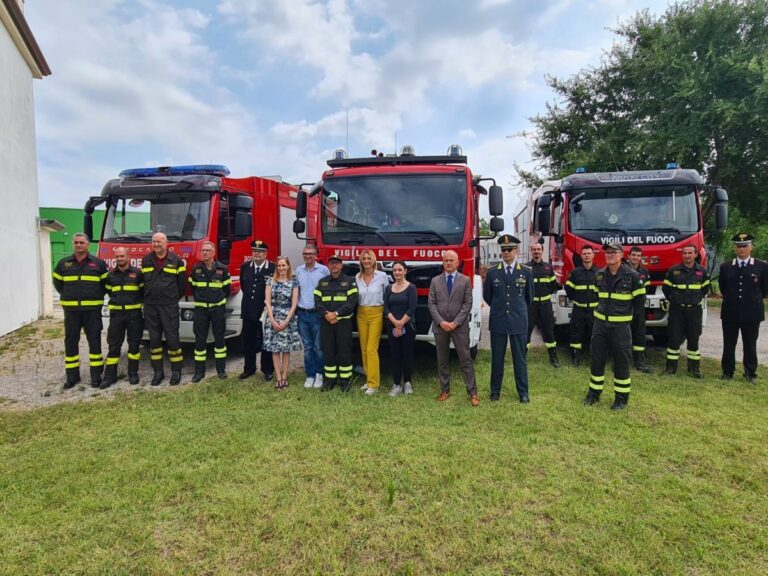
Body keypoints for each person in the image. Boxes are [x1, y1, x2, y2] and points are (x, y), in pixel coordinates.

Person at [583, 242, 645, 410]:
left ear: (621, 255)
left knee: (621, 362)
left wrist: (626, 318)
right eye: (607, 252)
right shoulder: (600, 275)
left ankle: (621, 399)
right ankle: (594, 394)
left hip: (620, 327)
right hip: (600, 326)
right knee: (597, 360)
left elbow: (639, 302)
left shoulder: (632, 276)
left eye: (613, 252)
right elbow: (599, 296)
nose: (609, 255)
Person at [52, 233, 108, 389]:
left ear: (87, 245)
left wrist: (94, 296)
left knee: (94, 342)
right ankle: (72, 376)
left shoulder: (98, 264)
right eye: (76, 242)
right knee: (71, 342)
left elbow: (105, 284)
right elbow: (58, 283)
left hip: (92, 310)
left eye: (82, 242)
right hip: (72, 311)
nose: (78, 245)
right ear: (73, 244)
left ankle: (96, 376)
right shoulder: (64, 264)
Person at [484, 235, 534, 402]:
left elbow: (529, 298)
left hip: (518, 320)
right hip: (498, 321)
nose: (506, 253)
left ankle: (523, 393)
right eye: (503, 250)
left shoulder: (526, 272)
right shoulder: (492, 272)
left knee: (519, 359)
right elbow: (488, 297)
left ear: (516, 251)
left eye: (509, 250)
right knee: (497, 358)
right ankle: (495, 391)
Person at [428, 250, 479, 407]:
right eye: (446, 260)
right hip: (440, 326)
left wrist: (455, 322)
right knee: (442, 360)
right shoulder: (435, 281)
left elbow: (467, 304)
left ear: (457, 263)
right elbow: (432, 303)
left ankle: (473, 393)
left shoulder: (465, 281)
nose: (449, 263)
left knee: (465, 360)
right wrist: (441, 322)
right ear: (443, 263)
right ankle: (445, 390)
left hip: (460, 327)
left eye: (452, 260)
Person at [719, 232, 768, 383]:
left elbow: (765, 289)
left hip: (752, 312)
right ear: (734, 248)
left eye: (745, 246)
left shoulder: (762, 266)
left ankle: (750, 373)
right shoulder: (726, 266)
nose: (742, 249)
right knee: (729, 344)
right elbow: (723, 288)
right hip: (730, 312)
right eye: (739, 246)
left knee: (750, 344)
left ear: (751, 247)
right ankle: (728, 371)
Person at [141, 232, 187, 386]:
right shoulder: (146, 260)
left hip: (169, 306)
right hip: (151, 306)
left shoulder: (176, 261)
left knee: (172, 339)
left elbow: (182, 286)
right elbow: (142, 283)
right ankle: (158, 373)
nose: (156, 244)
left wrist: (172, 299)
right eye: (154, 241)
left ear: (166, 243)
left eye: (159, 241)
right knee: (154, 340)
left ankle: (176, 372)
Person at [662, 244, 710, 378]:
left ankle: (694, 368)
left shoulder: (702, 271)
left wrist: (694, 299)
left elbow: (705, 289)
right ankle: (670, 368)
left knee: (694, 338)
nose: (687, 255)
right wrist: (676, 300)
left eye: (690, 253)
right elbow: (666, 290)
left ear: (695, 254)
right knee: (674, 338)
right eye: (684, 253)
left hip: (694, 311)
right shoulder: (673, 271)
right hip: (677, 310)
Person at [189, 241, 231, 383]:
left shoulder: (222, 269)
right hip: (201, 310)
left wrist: (216, 300)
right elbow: (192, 288)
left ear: (213, 253)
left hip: (217, 309)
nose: (205, 253)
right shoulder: (196, 269)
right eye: (203, 250)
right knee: (200, 341)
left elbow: (227, 290)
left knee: (219, 340)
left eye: (208, 250)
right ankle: (199, 372)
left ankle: (221, 370)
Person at [314, 255, 359, 392]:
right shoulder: (322, 282)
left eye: (337, 263)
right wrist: (327, 314)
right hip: (326, 322)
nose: (334, 266)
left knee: (344, 352)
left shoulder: (350, 282)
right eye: (332, 263)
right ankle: (330, 380)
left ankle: (345, 380)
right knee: (328, 351)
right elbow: (317, 301)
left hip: (343, 323)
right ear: (328, 265)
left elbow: (351, 303)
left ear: (341, 266)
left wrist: (336, 314)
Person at [103, 246, 143, 388]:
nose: (120, 259)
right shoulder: (110, 276)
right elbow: (107, 291)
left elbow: (143, 292)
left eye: (122, 256)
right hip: (116, 316)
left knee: (134, 346)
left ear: (128, 257)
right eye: (117, 257)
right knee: (114, 346)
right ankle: (110, 376)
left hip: (134, 316)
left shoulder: (138, 274)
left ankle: (133, 374)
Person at [238, 240, 275, 382]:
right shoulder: (245, 267)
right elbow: (244, 286)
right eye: (254, 251)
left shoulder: (272, 268)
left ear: (265, 253)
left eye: (260, 252)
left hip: (265, 311)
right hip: (248, 309)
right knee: (248, 341)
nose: (257, 254)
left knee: (266, 341)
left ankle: (267, 370)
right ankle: (249, 369)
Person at [264, 256, 302, 390]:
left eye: (283, 265)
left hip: (288, 317)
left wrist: (286, 320)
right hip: (273, 317)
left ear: (288, 266)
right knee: (275, 349)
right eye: (279, 266)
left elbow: (294, 303)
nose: (281, 268)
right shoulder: (270, 281)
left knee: (286, 349)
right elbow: (267, 302)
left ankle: (285, 376)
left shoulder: (294, 282)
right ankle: (278, 378)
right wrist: (272, 320)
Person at [295, 245, 329, 388]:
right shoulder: (298, 270)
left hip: (317, 314)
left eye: (310, 254)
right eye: (305, 253)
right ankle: (310, 375)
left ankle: (320, 374)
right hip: (303, 313)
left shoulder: (323, 270)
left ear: (316, 255)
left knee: (318, 347)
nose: (307, 256)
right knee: (308, 347)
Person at [355, 249, 389, 395]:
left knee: (371, 348)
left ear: (373, 260)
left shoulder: (382, 276)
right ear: (361, 261)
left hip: (377, 313)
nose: (367, 261)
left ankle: (374, 384)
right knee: (363, 348)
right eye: (364, 259)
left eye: (369, 258)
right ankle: (368, 379)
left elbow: (387, 295)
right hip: (361, 313)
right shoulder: (357, 277)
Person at [384, 261, 417, 396]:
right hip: (392, 326)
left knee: (407, 355)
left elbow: (412, 308)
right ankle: (396, 384)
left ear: (405, 271)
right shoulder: (388, 288)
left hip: (407, 326)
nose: (397, 272)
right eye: (395, 270)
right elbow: (385, 307)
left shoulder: (411, 287)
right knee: (395, 355)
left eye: (399, 270)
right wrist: (394, 322)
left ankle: (407, 383)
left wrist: (401, 323)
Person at [526, 239, 560, 367]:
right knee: (527, 330)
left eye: (538, 249)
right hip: (531, 305)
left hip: (545, 304)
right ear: (531, 251)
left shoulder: (548, 268)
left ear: (542, 251)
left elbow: (553, 286)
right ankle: (522, 357)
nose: (536, 252)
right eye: (534, 249)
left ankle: (553, 358)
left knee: (549, 331)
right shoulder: (526, 267)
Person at [564, 245, 598, 366]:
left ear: (593, 255)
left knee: (595, 334)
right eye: (584, 254)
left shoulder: (599, 273)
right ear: (581, 256)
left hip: (594, 310)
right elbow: (568, 289)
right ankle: (575, 357)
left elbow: (603, 291)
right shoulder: (575, 273)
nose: (587, 255)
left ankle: (595, 358)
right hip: (579, 309)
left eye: (589, 253)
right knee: (575, 333)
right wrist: (576, 299)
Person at [626, 246, 652, 373]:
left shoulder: (645, 272)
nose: (635, 258)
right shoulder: (622, 270)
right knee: (623, 335)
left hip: (639, 309)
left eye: (638, 256)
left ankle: (639, 362)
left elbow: (644, 291)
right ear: (628, 256)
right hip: (624, 308)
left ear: (640, 258)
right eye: (633, 255)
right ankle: (621, 362)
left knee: (640, 334)